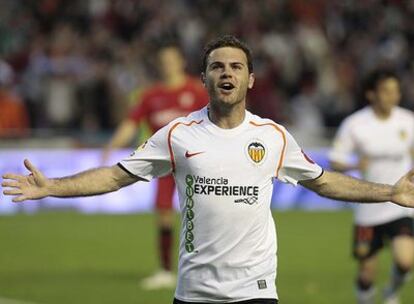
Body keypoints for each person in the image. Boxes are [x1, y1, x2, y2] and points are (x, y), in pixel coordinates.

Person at [3, 35, 414, 304]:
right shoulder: (178, 134)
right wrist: (51, 186)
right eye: (218, 66)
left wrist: (390, 192)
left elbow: (324, 183)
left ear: (250, 79)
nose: (227, 73)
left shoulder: (273, 136)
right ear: (203, 78)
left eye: (236, 67)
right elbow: (115, 175)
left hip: (255, 289)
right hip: (194, 291)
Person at [102, 44, 209, 289]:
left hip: (197, 164)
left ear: (181, 61)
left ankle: (206, 269)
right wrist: (112, 146)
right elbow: (131, 122)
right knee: (163, 214)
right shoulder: (150, 96)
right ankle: (165, 270)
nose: (167, 64)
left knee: (206, 215)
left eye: (172, 59)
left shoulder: (198, 91)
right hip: (163, 164)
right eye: (163, 60)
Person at [329, 70, 414, 304]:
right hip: (369, 206)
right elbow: (335, 159)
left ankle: (391, 292)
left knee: (406, 260)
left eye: (396, 91)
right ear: (371, 94)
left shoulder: (408, 120)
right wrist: (355, 163)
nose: (393, 96)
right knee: (366, 275)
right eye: (386, 91)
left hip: (401, 204)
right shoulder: (355, 124)